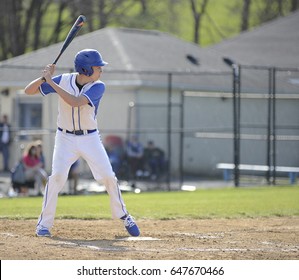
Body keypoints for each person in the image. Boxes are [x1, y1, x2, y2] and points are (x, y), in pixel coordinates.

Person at [24, 49, 140, 237]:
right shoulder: (63, 80)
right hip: (65, 138)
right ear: (86, 70)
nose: (101, 70)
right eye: (97, 67)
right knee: (57, 177)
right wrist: (44, 78)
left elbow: (76, 102)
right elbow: (28, 91)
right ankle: (44, 225)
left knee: (108, 176)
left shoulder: (98, 86)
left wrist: (52, 81)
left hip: (89, 138)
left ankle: (123, 215)